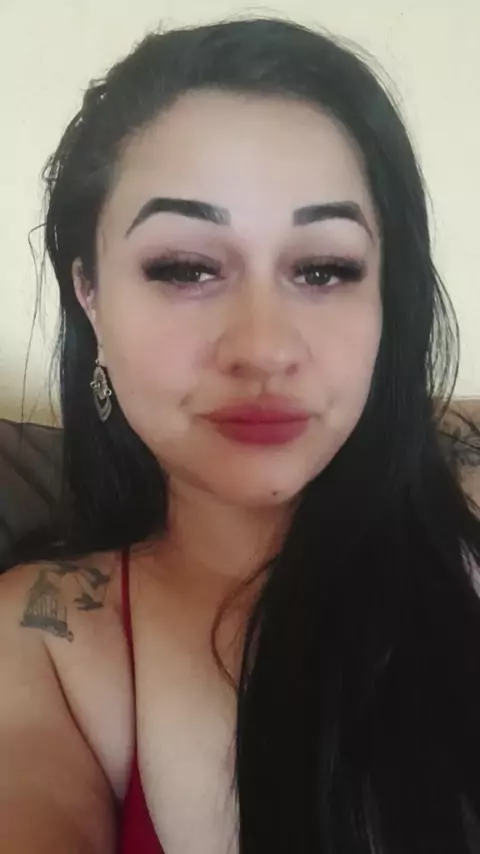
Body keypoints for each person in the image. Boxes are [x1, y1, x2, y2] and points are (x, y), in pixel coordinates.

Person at [1, 15, 480, 854]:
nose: (263, 347)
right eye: (185, 268)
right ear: (90, 295)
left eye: (324, 269)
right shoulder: (46, 641)